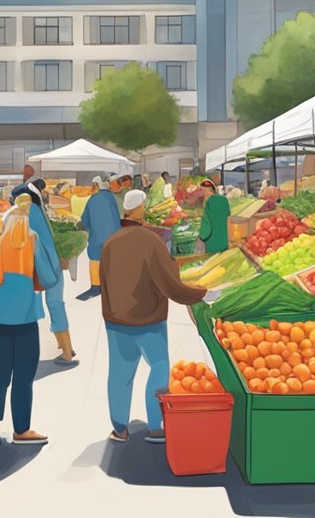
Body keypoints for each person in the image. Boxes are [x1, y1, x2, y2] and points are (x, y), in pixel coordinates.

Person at [101, 189, 208, 444]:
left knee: (119, 375)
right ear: (141, 208)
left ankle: (120, 428)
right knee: (159, 369)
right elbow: (169, 283)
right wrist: (198, 293)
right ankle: (156, 426)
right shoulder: (152, 242)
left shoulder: (110, 243)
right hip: (150, 321)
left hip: (116, 321)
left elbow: (103, 283)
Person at [0, 194, 60, 445]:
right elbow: (49, 279)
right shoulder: (33, 243)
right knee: (23, 379)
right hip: (25, 322)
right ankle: (21, 430)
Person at [14, 180, 76, 366]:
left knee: (54, 305)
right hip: (51, 264)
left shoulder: (29, 211)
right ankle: (65, 347)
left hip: (45, 266)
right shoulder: (38, 210)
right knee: (55, 304)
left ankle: (66, 352)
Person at [80, 175, 122, 298]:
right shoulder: (111, 197)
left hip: (97, 238)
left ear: (97, 185)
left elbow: (85, 220)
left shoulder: (92, 199)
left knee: (95, 259)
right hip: (114, 236)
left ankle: (96, 286)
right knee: (111, 260)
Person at [197, 179, 230, 253]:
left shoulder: (208, 202)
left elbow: (206, 223)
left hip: (212, 242)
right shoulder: (224, 199)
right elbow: (228, 215)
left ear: (204, 191)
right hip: (224, 239)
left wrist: (200, 236)